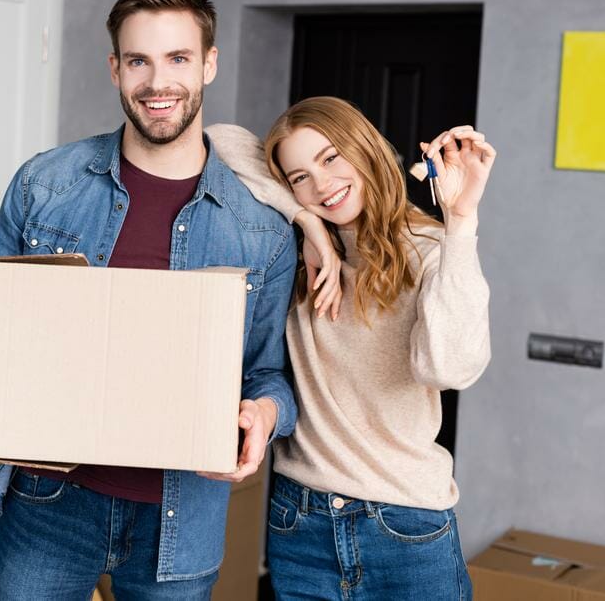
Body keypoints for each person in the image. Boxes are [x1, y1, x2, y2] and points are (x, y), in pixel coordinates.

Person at [0, 0, 300, 600]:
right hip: (50, 504)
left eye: (178, 59)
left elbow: (270, 373)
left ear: (209, 65)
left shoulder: (262, 228)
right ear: (115, 68)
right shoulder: (44, 185)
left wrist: (263, 415)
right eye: (139, 59)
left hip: (179, 514)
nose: (157, 82)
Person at [208, 97, 496, 600]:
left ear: (365, 150)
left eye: (330, 158)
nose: (321, 185)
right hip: (301, 522)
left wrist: (462, 221)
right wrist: (308, 224)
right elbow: (220, 137)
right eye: (298, 177)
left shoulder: (432, 254)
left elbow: (447, 368)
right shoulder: (297, 254)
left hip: (405, 526)